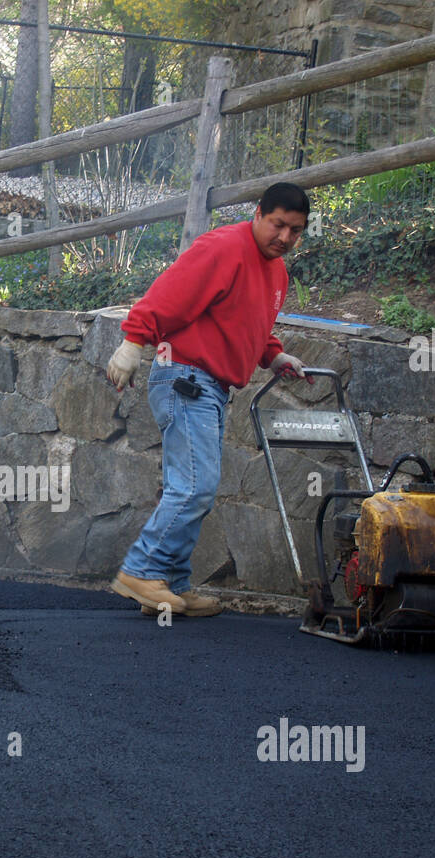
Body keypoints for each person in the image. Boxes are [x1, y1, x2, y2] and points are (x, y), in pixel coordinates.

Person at [107, 182, 311, 618]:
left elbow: (248, 323)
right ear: (258, 214)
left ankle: (170, 587)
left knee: (197, 487)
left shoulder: (276, 272)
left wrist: (274, 356)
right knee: (194, 487)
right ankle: (141, 571)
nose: (285, 238)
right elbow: (167, 293)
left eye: (296, 230)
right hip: (184, 376)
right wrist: (132, 343)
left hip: (211, 387)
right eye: (278, 225)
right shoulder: (222, 247)